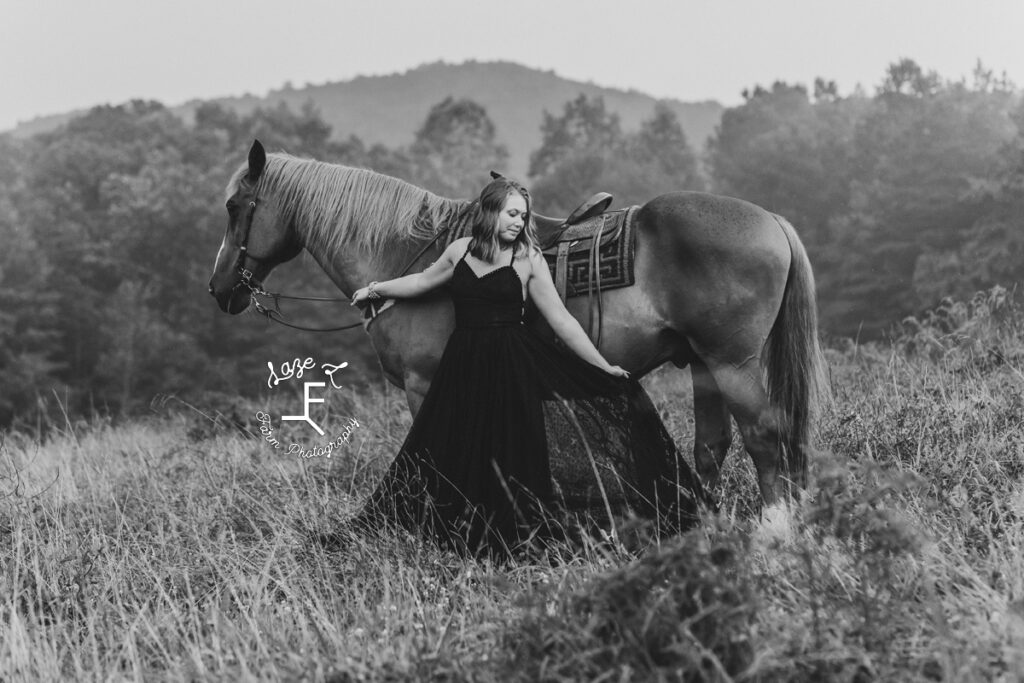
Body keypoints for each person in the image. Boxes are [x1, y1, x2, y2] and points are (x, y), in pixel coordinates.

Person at [350, 177, 707, 556]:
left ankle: (519, 539)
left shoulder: (528, 258)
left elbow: (562, 321)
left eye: (523, 215)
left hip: (511, 363)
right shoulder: (460, 251)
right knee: (459, 445)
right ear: (490, 212)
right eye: (512, 213)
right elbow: (422, 281)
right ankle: (460, 532)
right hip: (464, 363)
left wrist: (603, 366)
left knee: (515, 451)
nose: (519, 222)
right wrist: (375, 289)